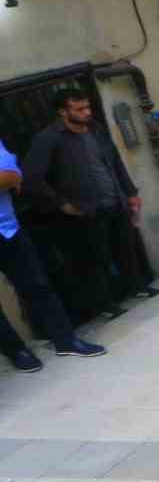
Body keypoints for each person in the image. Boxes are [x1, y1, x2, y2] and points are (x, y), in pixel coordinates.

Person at [23, 88, 158, 321]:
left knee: (125, 247)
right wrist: (62, 204)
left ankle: (136, 286)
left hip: (114, 200)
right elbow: (32, 178)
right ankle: (105, 304)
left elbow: (114, 161)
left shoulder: (97, 130)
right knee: (95, 259)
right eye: (80, 109)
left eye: (88, 107)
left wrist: (130, 192)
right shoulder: (49, 138)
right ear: (63, 112)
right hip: (83, 210)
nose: (87, 112)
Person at [0, 140, 106, 372]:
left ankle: (66, 340)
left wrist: (10, 179)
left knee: (37, 286)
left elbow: (11, 175)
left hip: (8, 230)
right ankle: (16, 352)